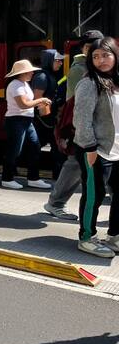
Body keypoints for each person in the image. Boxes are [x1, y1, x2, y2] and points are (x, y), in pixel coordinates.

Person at [45, 30, 104, 220]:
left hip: (102, 124)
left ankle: (56, 202)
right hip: (85, 125)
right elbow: (78, 103)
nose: (94, 49)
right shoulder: (80, 70)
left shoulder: (100, 66)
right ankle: (56, 202)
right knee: (76, 164)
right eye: (89, 46)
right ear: (84, 49)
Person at [73, 37, 119, 258]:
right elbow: (82, 120)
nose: (101, 60)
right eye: (96, 56)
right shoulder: (89, 83)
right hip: (95, 150)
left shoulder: (116, 81)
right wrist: (90, 148)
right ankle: (87, 237)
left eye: (106, 55)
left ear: (115, 56)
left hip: (117, 150)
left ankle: (114, 235)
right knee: (95, 194)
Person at [1, 60, 52, 190]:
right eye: (29, 71)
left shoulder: (23, 84)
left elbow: (28, 103)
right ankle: (7, 179)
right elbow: (23, 104)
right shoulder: (15, 85)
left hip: (26, 120)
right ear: (22, 73)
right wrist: (41, 100)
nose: (32, 73)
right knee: (14, 150)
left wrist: (39, 103)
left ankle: (33, 178)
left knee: (35, 147)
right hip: (16, 120)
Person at [32, 49, 66, 178]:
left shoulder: (50, 75)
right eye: (57, 60)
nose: (60, 63)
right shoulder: (42, 77)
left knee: (56, 149)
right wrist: (48, 118)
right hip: (43, 120)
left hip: (49, 119)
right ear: (49, 61)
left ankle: (57, 176)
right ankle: (33, 176)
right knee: (35, 148)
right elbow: (38, 99)